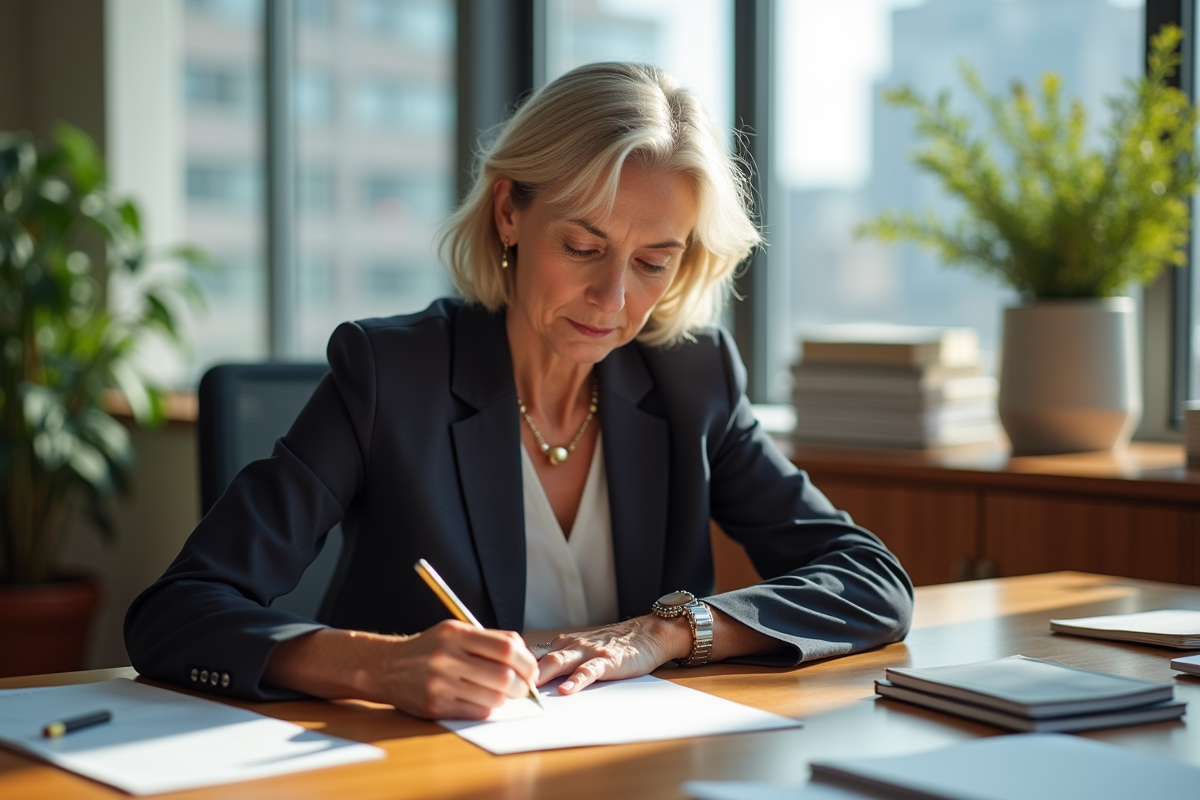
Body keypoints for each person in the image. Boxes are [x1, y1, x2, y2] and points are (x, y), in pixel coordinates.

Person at [125, 62, 913, 721]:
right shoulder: (389, 374)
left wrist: (670, 632)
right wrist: (379, 667)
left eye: (653, 261)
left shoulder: (691, 377)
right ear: (509, 212)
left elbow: (870, 582)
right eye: (583, 245)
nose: (612, 300)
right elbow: (177, 613)